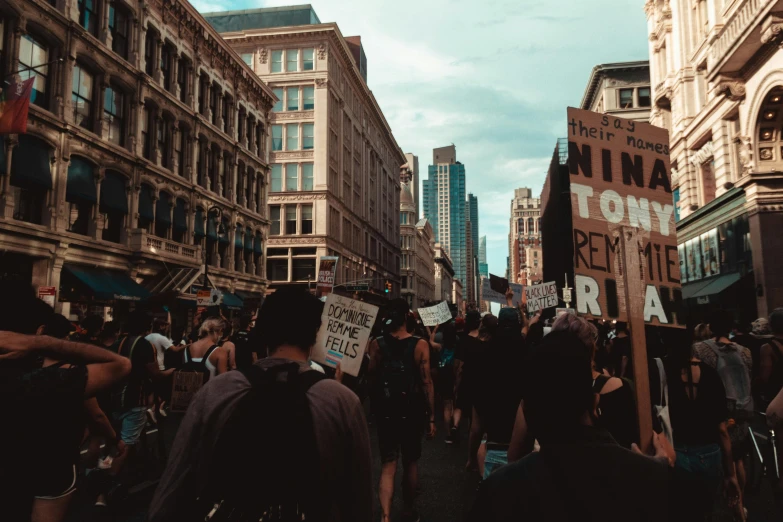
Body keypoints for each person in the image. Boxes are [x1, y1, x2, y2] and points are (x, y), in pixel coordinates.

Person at [148, 288, 372, 522]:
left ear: (263, 332)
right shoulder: (341, 400)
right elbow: (358, 500)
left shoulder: (216, 391)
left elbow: (175, 484)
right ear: (316, 334)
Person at [469, 331, 670, 522]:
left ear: (527, 413)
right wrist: (654, 471)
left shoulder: (500, 492)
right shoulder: (648, 480)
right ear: (594, 403)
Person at [0, 284, 131, 522]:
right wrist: (38, 343)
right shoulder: (50, 381)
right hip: (50, 473)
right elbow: (120, 365)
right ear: (40, 332)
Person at [650, 333, 740, 522]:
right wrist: (731, 474)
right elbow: (722, 430)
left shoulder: (661, 371)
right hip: (710, 455)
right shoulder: (711, 374)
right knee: (705, 511)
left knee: (681, 512)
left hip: (677, 452)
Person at [369, 298, 435, 522]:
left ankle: (385, 517)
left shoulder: (377, 344)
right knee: (410, 462)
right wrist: (432, 417)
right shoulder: (420, 345)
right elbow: (427, 383)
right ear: (407, 316)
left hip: (386, 410)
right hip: (412, 410)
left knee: (388, 463)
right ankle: (408, 510)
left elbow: (372, 376)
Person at [100, 310, 173, 508]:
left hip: (114, 398)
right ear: (146, 327)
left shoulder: (118, 343)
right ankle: (107, 486)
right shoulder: (144, 345)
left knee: (113, 441)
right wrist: (172, 371)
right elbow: (155, 374)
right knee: (127, 442)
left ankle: (103, 470)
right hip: (135, 399)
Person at [693, 308, 753, 519]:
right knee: (738, 459)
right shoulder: (744, 351)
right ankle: (740, 501)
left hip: (719, 412)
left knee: (724, 458)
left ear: (710, 326)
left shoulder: (700, 349)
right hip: (742, 413)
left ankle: (732, 504)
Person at [471, 296, 534, 479]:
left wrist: (471, 455)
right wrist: (513, 305)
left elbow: (476, 424)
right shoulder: (527, 349)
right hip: (523, 444)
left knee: (494, 499)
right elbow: (525, 326)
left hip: (494, 439)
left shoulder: (486, 353)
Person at [453, 310, 482, 446]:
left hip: (466, 377)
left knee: (459, 404)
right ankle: (472, 434)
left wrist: (456, 383)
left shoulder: (463, 340)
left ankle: (455, 425)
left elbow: (459, 365)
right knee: (473, 410)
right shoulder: (483, 339)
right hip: (478, 379)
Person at [429, 320, 458, 443]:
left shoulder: (440, 346)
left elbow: (430, 341)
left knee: (446, 405)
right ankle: (456, 426)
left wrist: (434, 329)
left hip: (443, 375)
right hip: (455, 375)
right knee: (455, 404)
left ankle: (448, 434)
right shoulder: (458, 345)